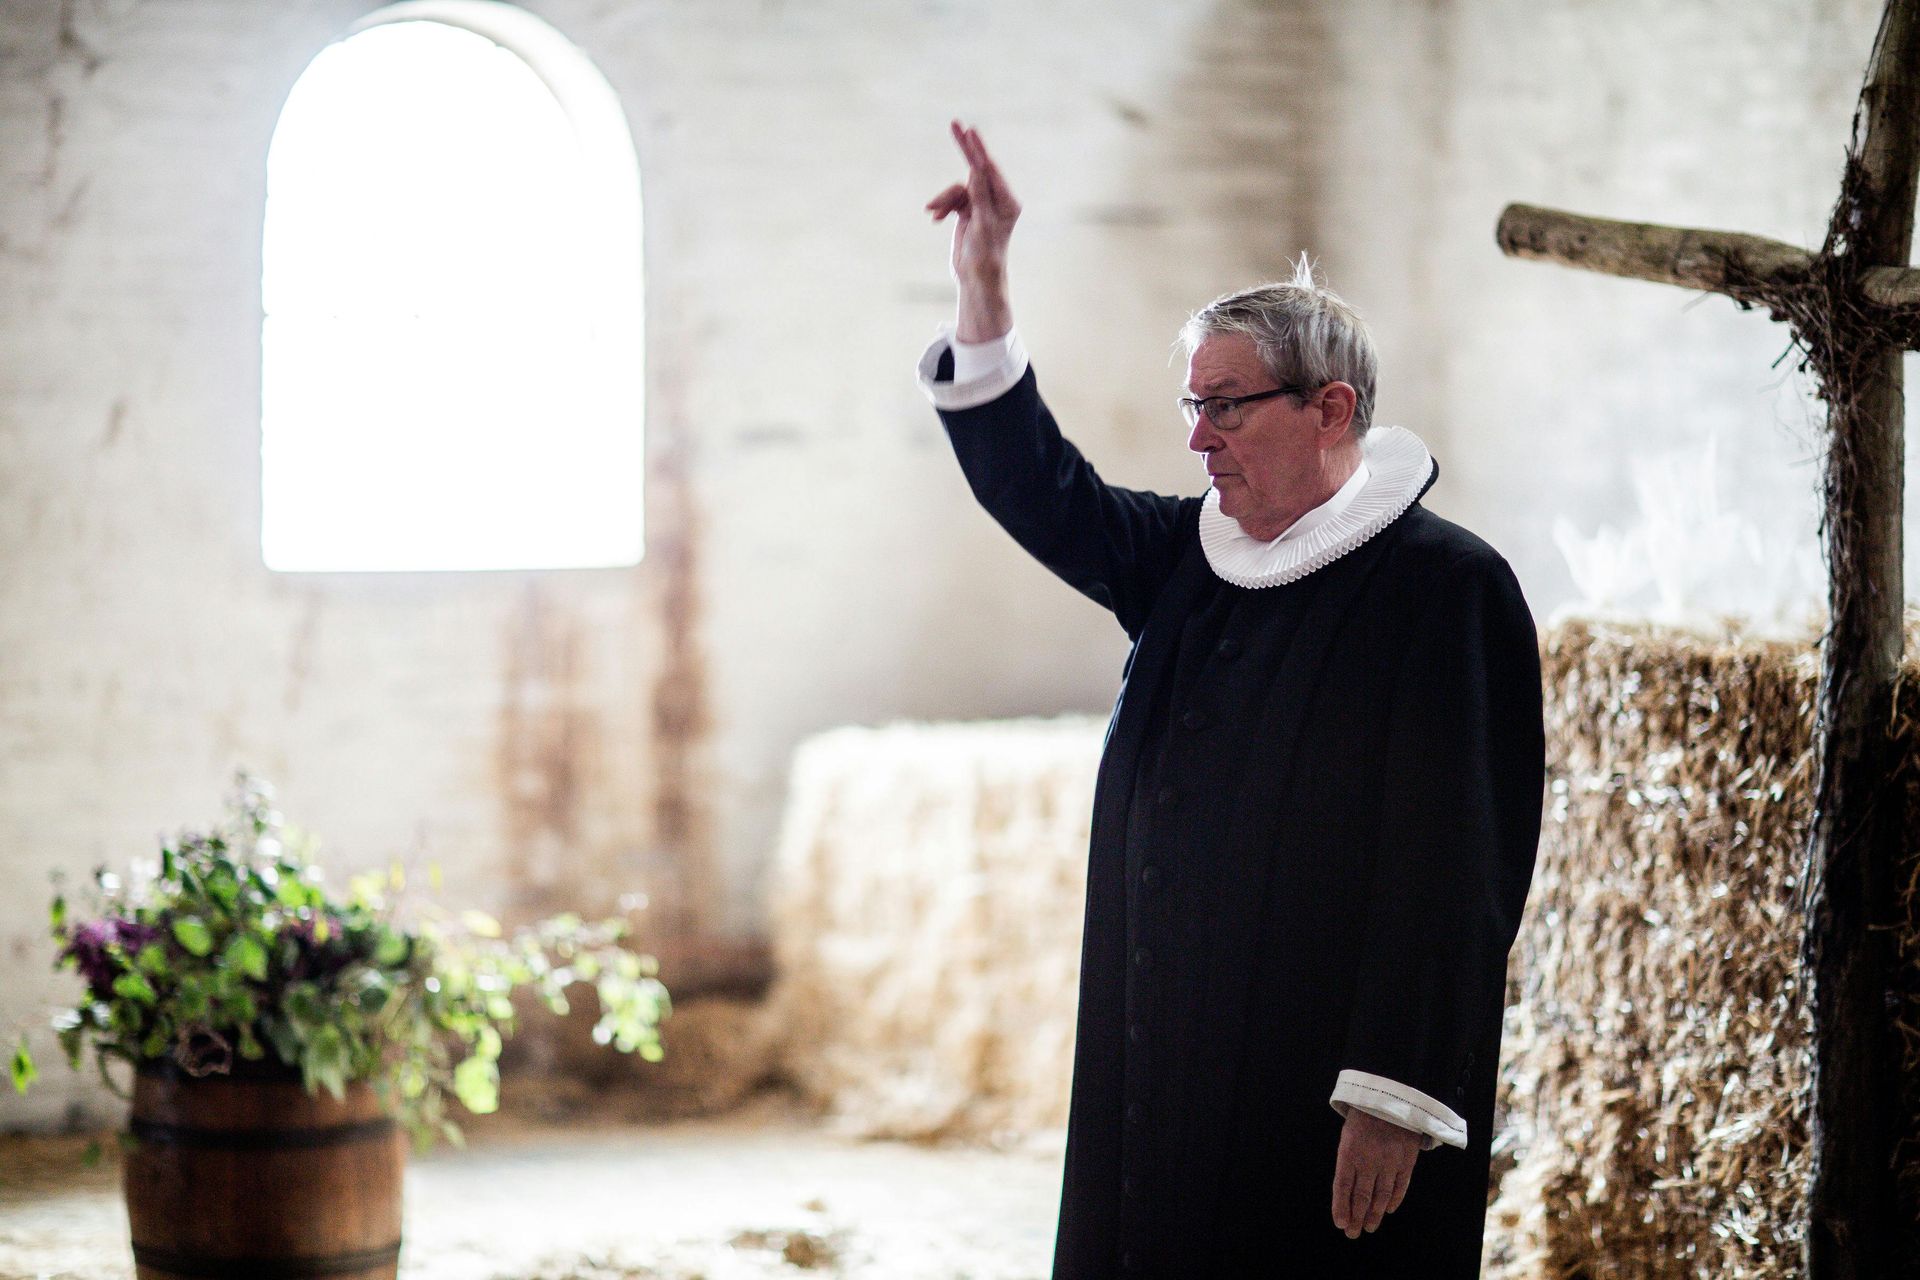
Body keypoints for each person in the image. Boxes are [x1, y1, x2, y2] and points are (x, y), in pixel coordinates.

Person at [916, 121, 1546, 1278]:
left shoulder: (1443, 588)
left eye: (1228, 407)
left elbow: (1457, 863)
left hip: (1323, 1082)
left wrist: (1393, 1094)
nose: (1197, 438)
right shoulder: (1186, 558)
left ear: (1332, 409)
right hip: (1162, 1050)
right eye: (1190, 407)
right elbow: (1040, 490)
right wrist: (986, 285)